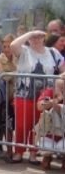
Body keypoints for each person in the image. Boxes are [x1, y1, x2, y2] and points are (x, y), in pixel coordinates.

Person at [7, 29, 65, 162]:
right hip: (24, 94)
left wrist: (59, 83)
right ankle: (19, 152)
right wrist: (30, 33)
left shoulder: (53, 52)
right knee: (22, 125)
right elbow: (13, 46)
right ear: (29, 39)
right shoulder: (24, 51)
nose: (36, 39)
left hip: (46, 94)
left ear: (44, 38)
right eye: (34, 37)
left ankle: (34, 152)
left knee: (39, 125)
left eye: (39, 37)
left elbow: (63, 69)